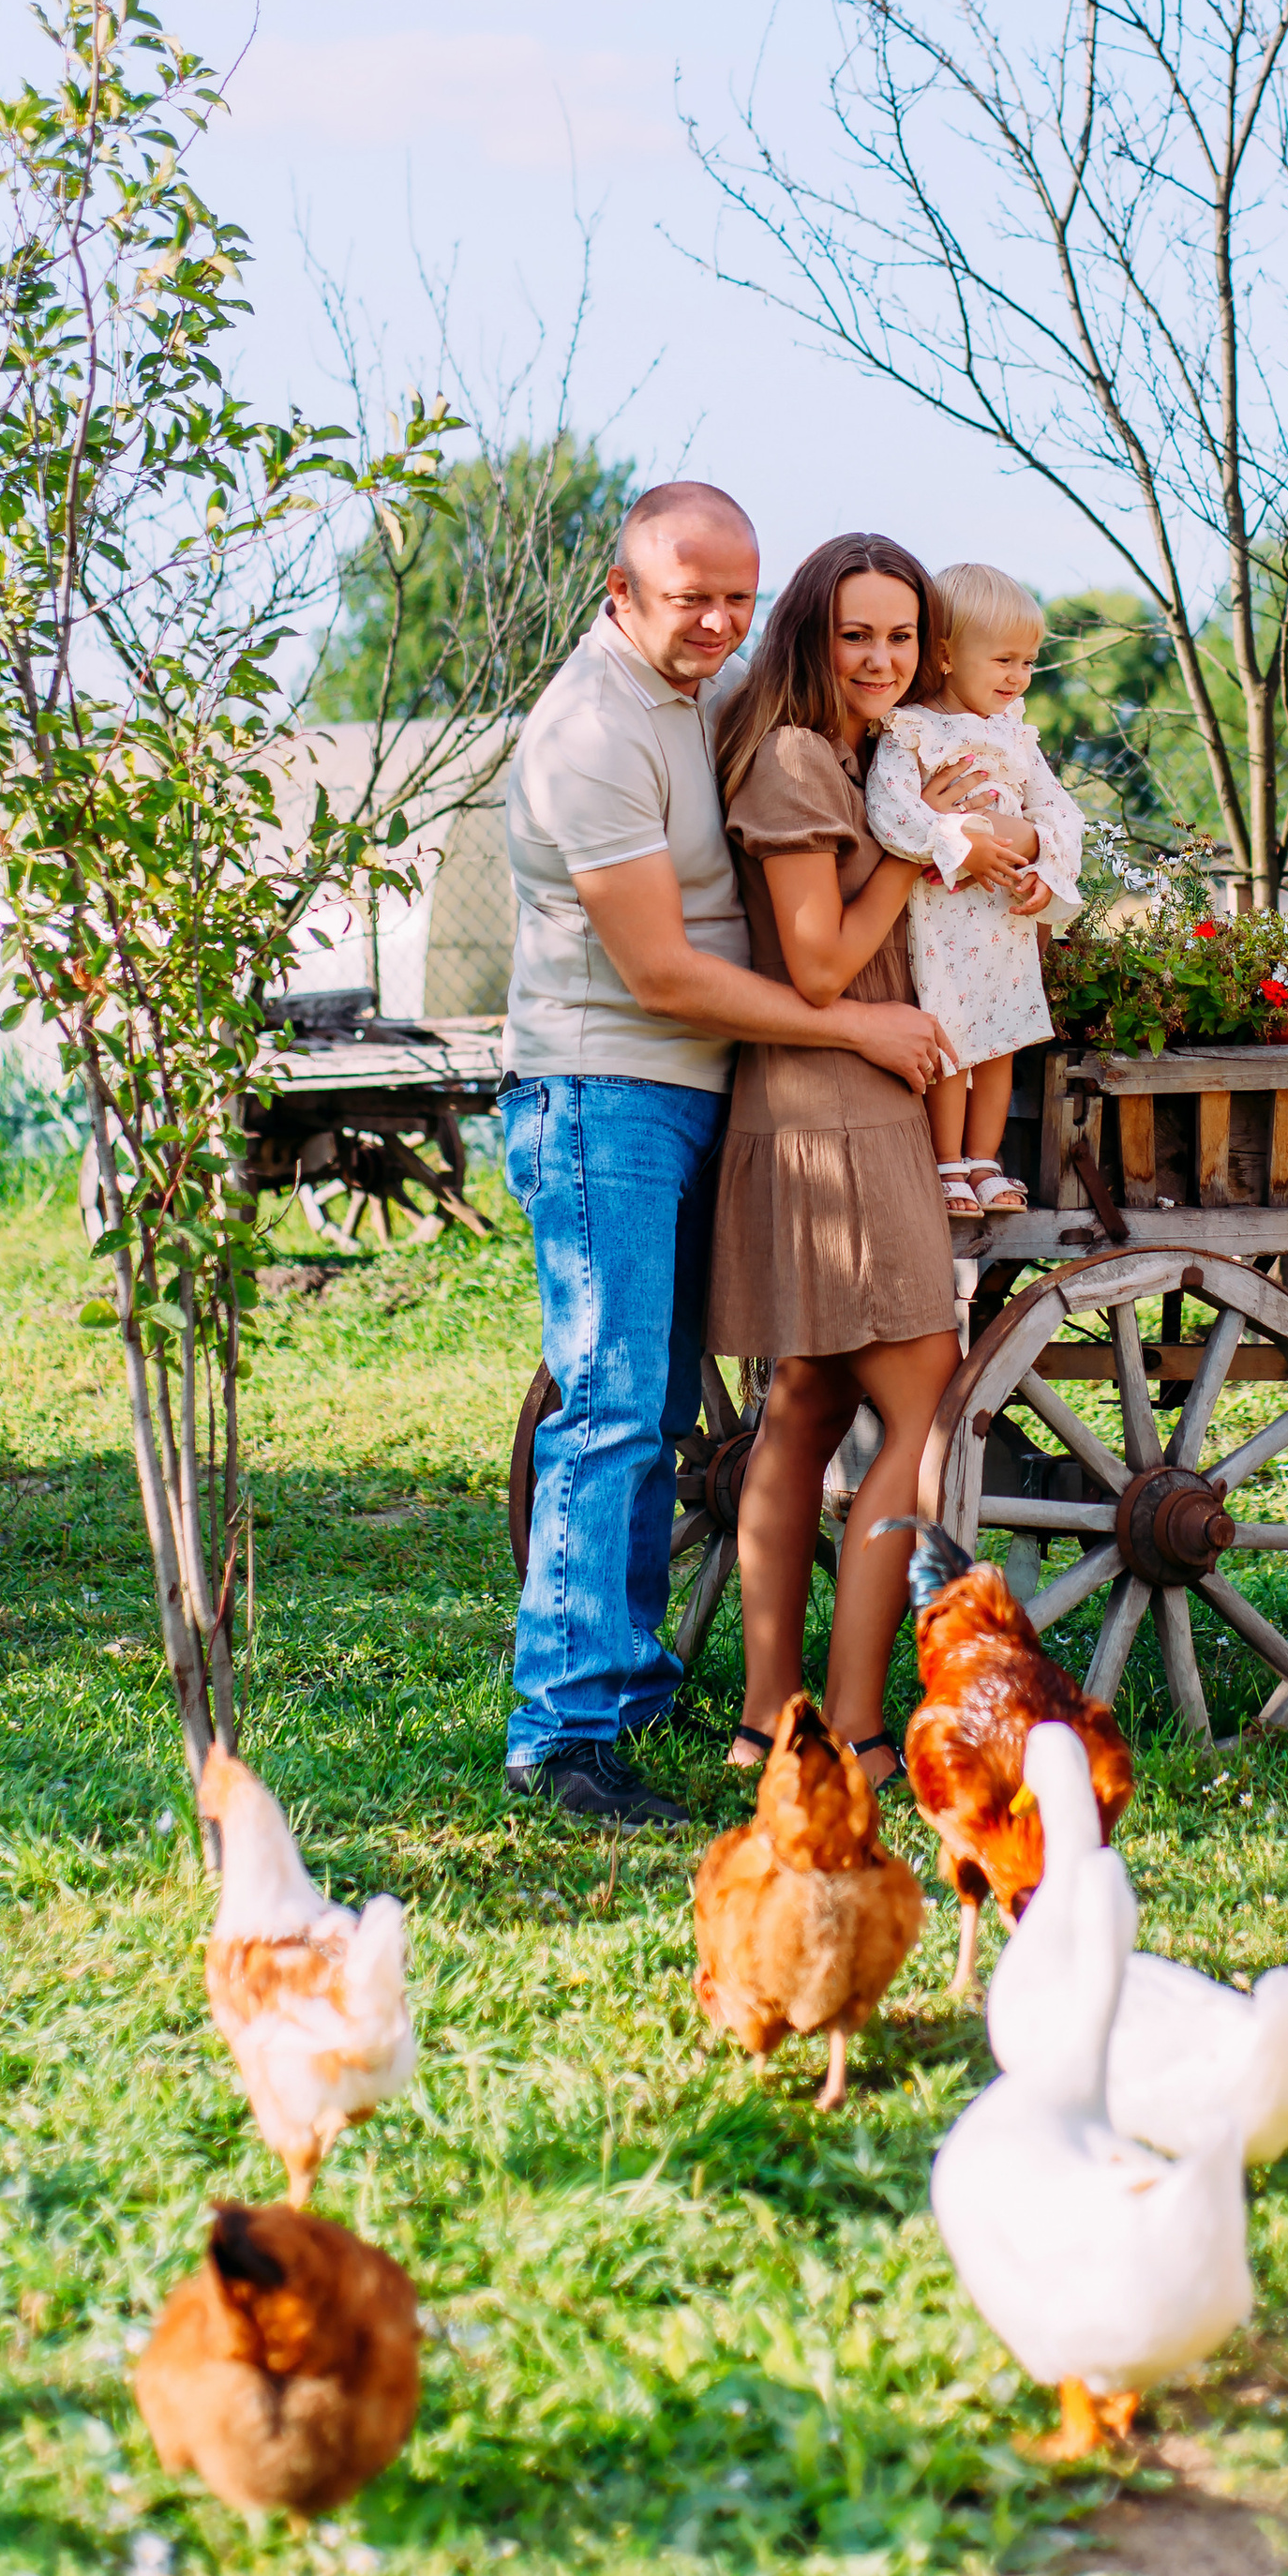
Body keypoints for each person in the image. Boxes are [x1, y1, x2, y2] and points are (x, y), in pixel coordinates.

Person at [501, 483, 955, 1828]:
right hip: (607, 1086)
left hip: (717, 1091)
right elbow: (659, 969)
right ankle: (565, 1735)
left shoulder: (706, 697)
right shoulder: (592, 728)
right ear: (619, 590)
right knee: (615, 1407)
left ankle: (669, 1697)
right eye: (690, 594)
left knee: (734, 1399)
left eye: (737, 596)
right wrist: (862, 1023)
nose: (718, 620)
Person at [706, 532, 1039, 1787]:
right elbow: (822, 964)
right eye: (857, 634)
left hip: (840, 1104)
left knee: (806, 1405)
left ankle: (765, 1719)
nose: (882, 657)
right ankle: (846, 1726)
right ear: (810, 632)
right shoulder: (795, 757)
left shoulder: (856, 750)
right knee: (920, 1403)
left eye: (902, 636)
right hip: (833, 1112)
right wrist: (921, 843)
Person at [864, 559, 1085, 1216]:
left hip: (1006, 916)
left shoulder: (1014, 735)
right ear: (948, 654)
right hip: (947, 910)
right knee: (954, 1038)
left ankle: (985, 1161)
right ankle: (947, 1161)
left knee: (1003, 1038)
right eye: (1004, 660)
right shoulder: (914, 730)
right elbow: (892, 810)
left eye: (1029, 662)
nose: (1018, 677)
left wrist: (1044, 862)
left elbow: (1060, 812)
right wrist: (960, 842)